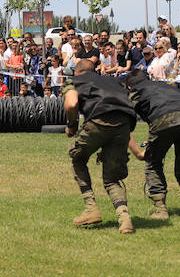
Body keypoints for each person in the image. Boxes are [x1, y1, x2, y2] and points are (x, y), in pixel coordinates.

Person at [122, 69, 180, 220]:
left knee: (153, 163)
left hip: (164, 118)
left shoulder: (135, 91)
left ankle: (161, 209)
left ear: (129, 86)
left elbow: (123, 122)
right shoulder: (167, 86)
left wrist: (138, 153)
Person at [63, 59, 137, 234]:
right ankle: (124, 219)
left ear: (76, 72)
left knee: (77, 157)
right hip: (125, 123)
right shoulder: (112, 80)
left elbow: (71, 103)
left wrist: (71, 124)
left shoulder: (75, 81)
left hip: (99, 119)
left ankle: (91, 208)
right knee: (112, 177)